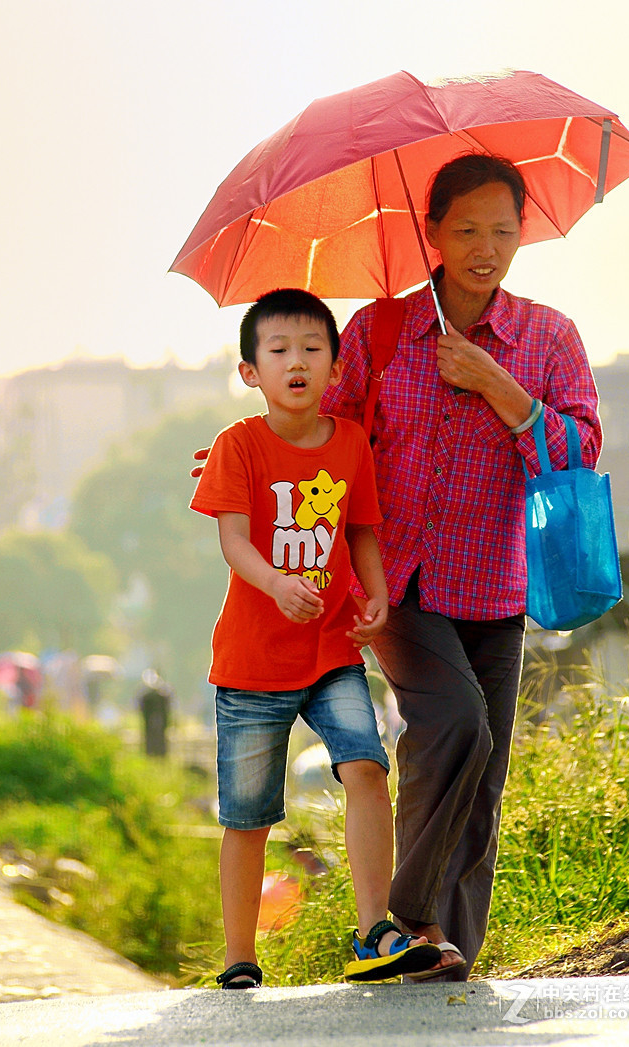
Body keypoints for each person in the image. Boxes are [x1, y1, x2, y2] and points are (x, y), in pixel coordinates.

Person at [322, 153, 603, 980]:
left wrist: (498, 386)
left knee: (478, 780)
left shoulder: (548, 336)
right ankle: (402, 919)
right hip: (398, 581)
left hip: (497, 584)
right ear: (433, 233)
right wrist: (250, 456)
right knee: (457, 725)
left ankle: (447, 956)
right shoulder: (377, 331)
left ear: (524, 233)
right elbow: (331, 444)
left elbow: (580, 452)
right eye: (469, 230)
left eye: (504, 231)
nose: (487, 247)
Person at [191, 288, 440, 988]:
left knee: (367, 765)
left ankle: (374, 931)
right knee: (249, 814)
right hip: (250, 662)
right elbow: (233, 541)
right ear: (251, 371)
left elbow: (360, 529)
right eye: (279, 350)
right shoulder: (240, 445)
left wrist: (380, 594)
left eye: (312, 349)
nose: (296, 362)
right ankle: (241, 955)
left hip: (331, 650)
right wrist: (276, 583)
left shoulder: (350, 442)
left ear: (335, 367)